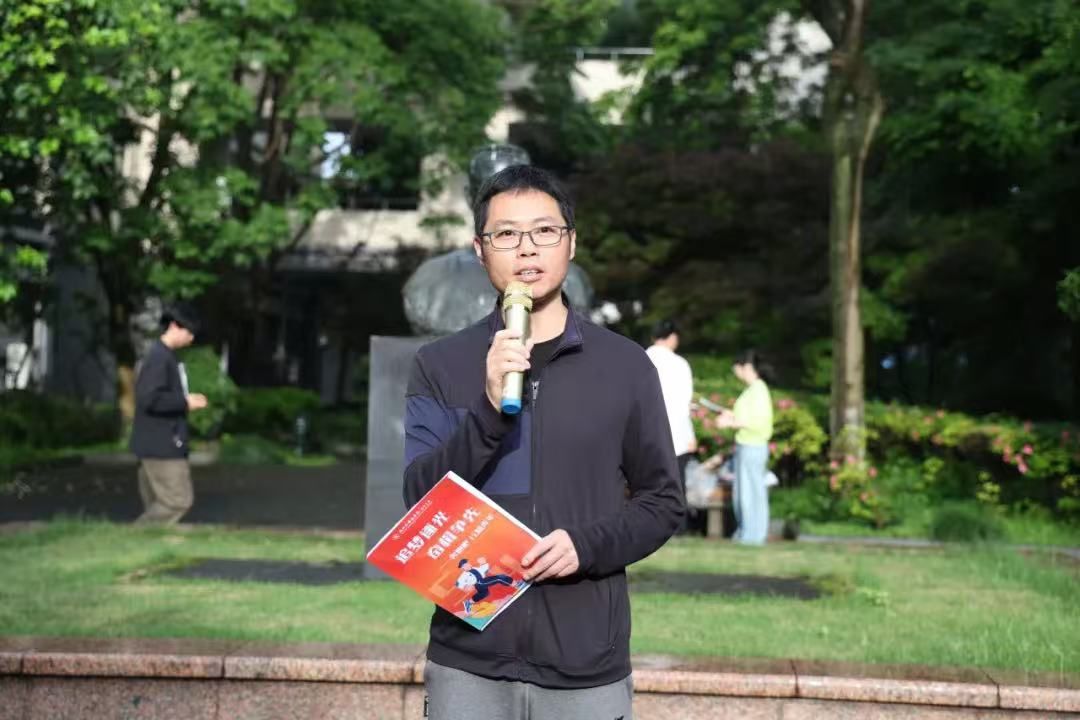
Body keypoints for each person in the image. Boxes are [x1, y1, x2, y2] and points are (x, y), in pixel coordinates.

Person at [403, 165, 684, 720]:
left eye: (544, 231)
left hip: (586, 663)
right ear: (480, 250)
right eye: (506, 234)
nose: (526, 248)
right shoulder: (439, 365)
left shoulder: (625, 365)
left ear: (571, 243)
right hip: (468, 661)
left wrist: (586, 545)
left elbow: (663, 501)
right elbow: (419, 501)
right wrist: (487, 410)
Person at [129, 303, 208, 524]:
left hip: (157, 443)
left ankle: (146, 540)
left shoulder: (164, 356)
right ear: (174, 326)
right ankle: (133, 535)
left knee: (157, 503)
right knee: (177, 501)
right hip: (162, 445)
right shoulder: (159, 358)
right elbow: (149, 398)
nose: (191, 338)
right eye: (189, 332)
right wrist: (184, 402)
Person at [645, 319, 700, 534]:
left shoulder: (642, 358)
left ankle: (651, 525)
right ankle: (678, 527)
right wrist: (690, 433)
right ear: (673, 337)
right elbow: (684, 402)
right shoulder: (680, 364)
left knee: (648, 483)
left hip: (648, 431)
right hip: (677, 432)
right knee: (677, 482)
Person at [713, 350, 773, 545]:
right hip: (745, 446)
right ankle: (746, 532)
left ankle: (753, 536)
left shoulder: (758, 390)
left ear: (746, 367)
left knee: (752, 492)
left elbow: (757, 422)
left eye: (737, 370)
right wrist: (731, 416)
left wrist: (730, 423)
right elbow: (747, 417)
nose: (737, 375)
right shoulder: (752, 390)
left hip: (753, 446)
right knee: (743, 492)